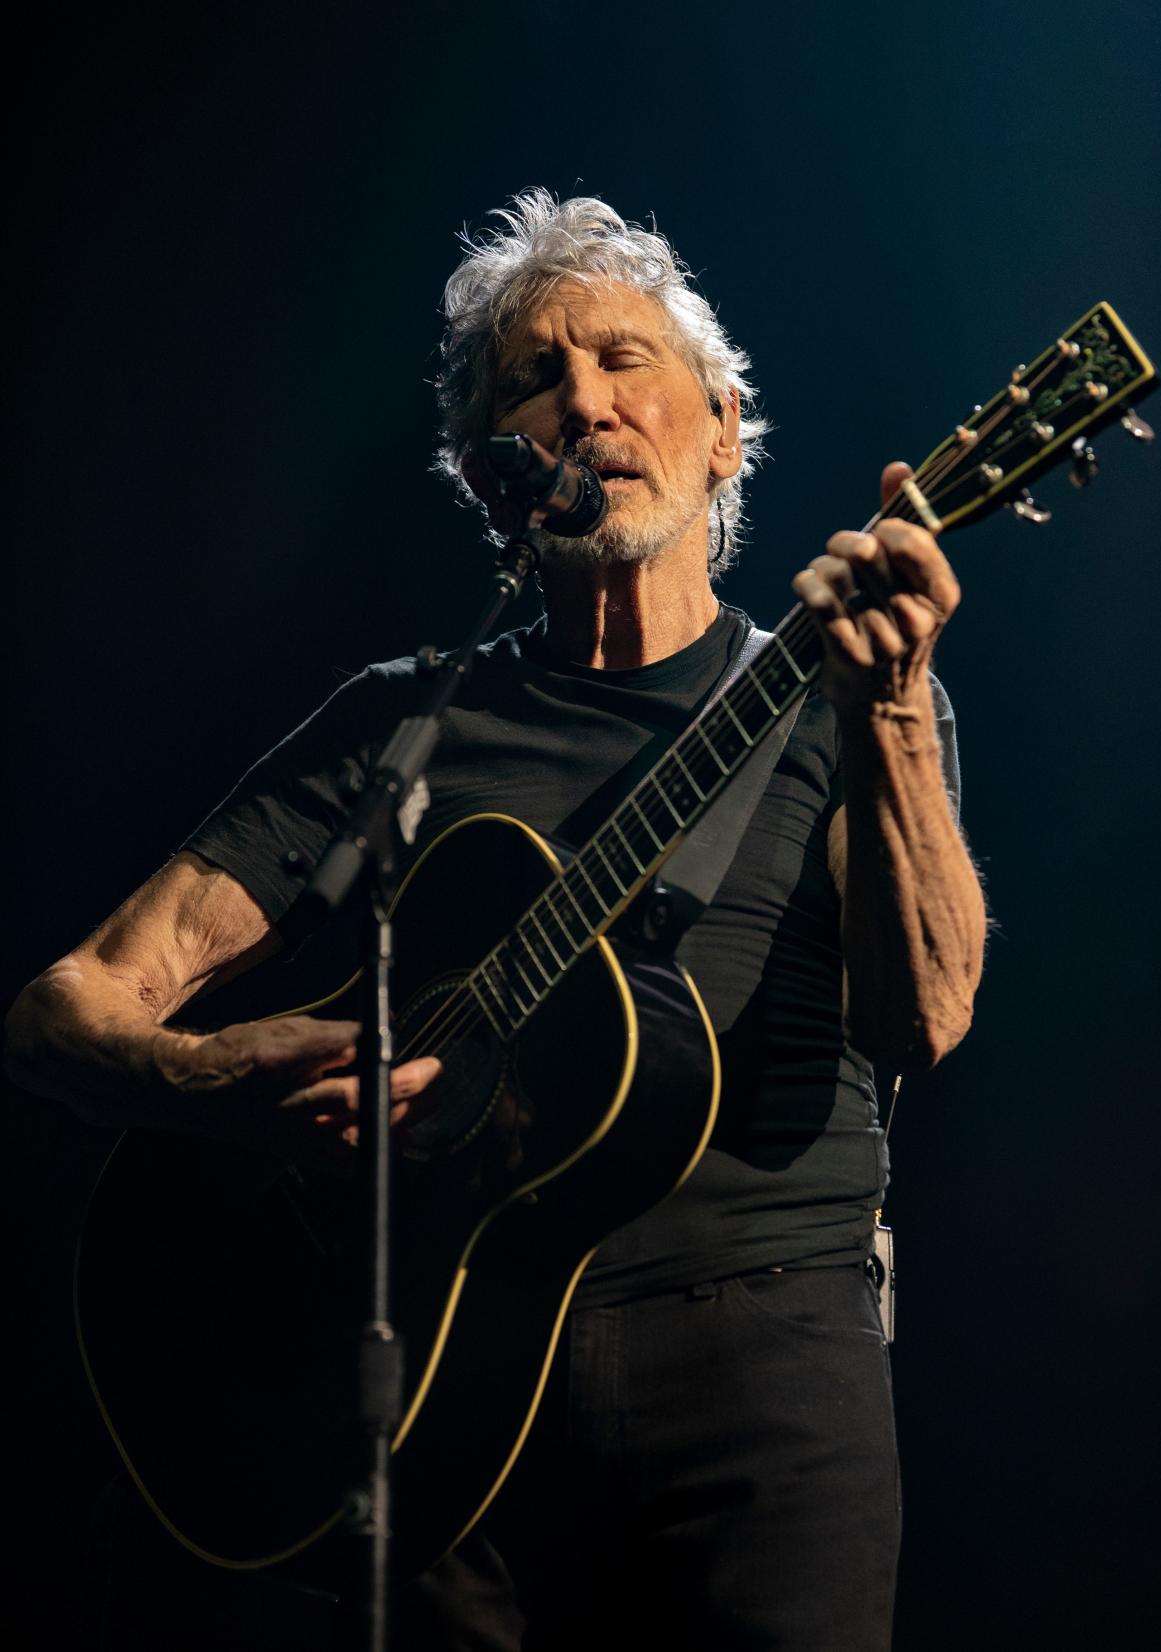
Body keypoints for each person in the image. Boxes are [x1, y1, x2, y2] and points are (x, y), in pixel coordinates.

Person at [6, 191, 986, 1650]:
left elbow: (924, 1018)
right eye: (534, 378)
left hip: (760, 1369)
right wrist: (215, 1082)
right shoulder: (406, 718)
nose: (584, 400)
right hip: (435, 1381)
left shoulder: (847, 698)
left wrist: (892, 704)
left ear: (723, 429)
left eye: (622, 359)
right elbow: (62, 1011)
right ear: (486, 478)